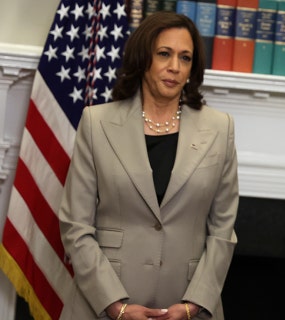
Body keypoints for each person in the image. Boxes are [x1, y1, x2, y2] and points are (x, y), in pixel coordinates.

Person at [58, 12, 239, 320]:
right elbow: (76, 227)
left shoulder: (220, 128)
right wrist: (115, 306)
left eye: (185, 58)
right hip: (103, 304)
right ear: (144, 58)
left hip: (186, 304)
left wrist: (194, 304)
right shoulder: (96, 122)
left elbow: (223, 230)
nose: (174, 67)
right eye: (164, 54)